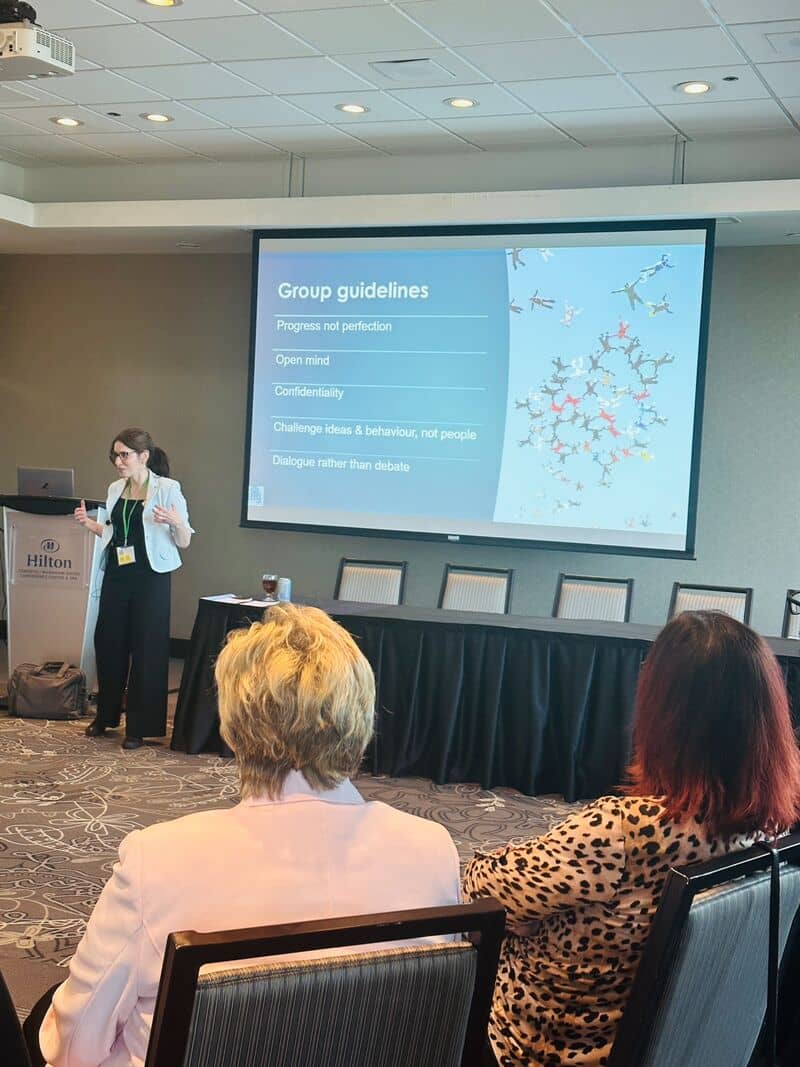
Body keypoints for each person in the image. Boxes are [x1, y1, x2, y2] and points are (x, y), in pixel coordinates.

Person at [37, 604, 461, 1067]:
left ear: (233, 726)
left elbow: (74, 1049)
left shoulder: (158, 859)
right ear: (359, 719)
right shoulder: (431, 848)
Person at [464, 611, 800, 1067]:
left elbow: (479, 887)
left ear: (664, 713)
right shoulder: (772, 826)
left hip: (543, 1048)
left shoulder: (620, 832)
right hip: (677, 1044)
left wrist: (528, 921)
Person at [74, 429, 193, 750]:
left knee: (146, 649)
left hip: (150, 578)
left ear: (144, 456)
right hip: (117, 572)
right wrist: (89, 525)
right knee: (109, 643)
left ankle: (139, 727)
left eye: (124, 454)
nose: (118, 461)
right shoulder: (116, 487)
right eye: (115, 455)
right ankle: (106, 716)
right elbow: (114, 533)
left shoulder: (168, 489)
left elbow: (185, 539)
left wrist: (174, 521)